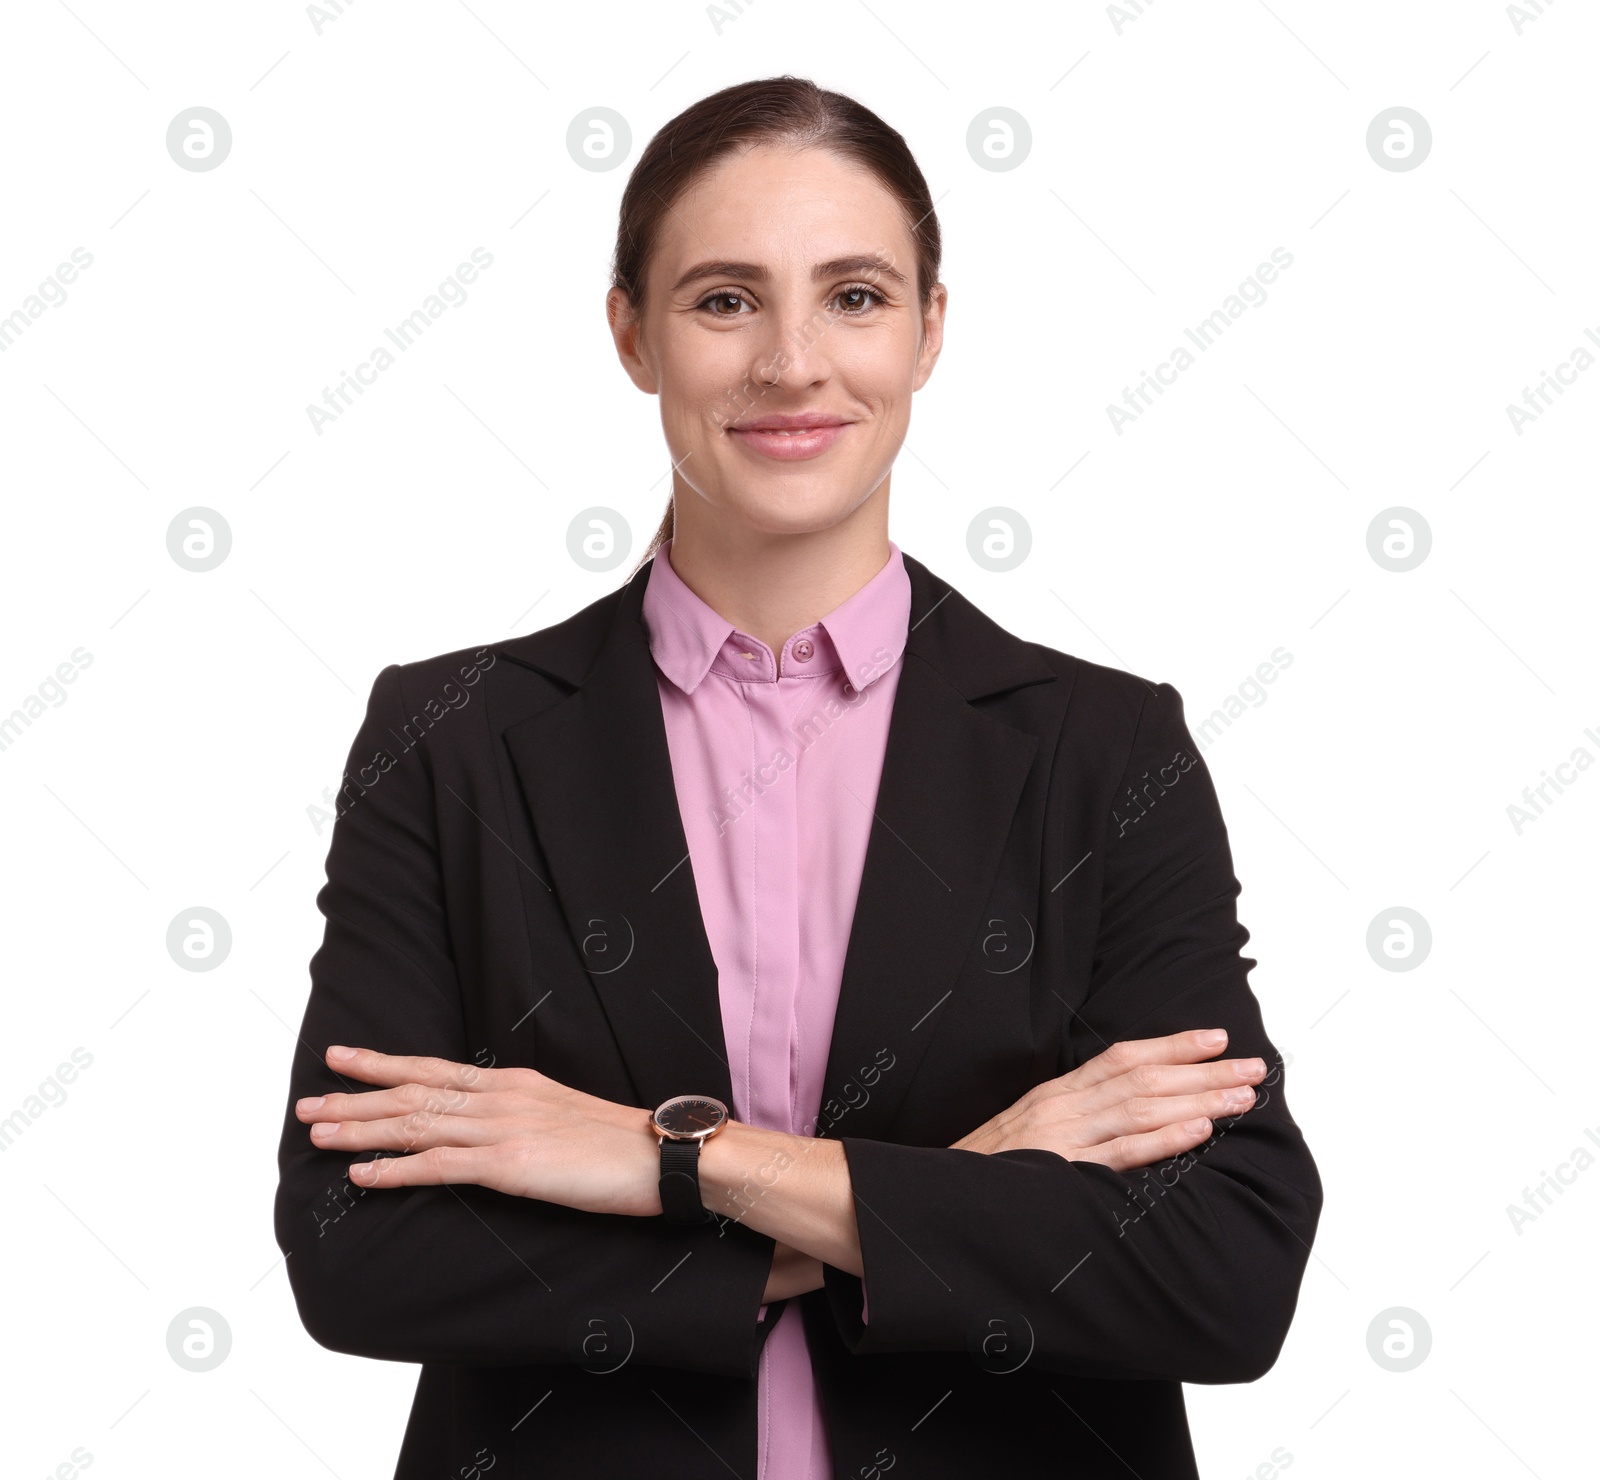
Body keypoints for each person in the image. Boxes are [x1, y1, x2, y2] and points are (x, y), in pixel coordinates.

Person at [274, 75, 1322, 1480]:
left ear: (930, 330)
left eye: (854, 296)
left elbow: (1223, 1271)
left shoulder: (1104, 750)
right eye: (723, 301)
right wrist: (962, 1191)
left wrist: (664, 1159)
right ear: (631, 334)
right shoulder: (452, 738)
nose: (790, 365)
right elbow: (361, 1253)